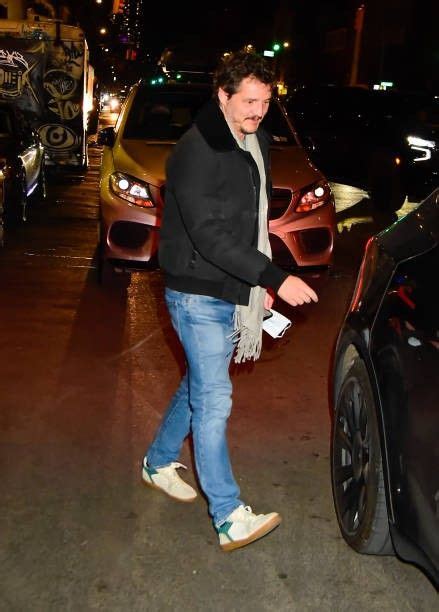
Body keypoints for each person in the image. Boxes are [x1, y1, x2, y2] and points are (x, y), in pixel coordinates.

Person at [141, 51, 318, 551]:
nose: (257, 112)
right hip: (195, 290)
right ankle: (228, 514)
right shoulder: (196, 151)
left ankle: (156, 461)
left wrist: (253, 282)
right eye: (248, 101)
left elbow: (248, 224)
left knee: (199, 385)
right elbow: (210, 234)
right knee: (214, 399)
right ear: (222, 95)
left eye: (265, 102)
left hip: (231, 286)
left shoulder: (253, 140)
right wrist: (274, 277)